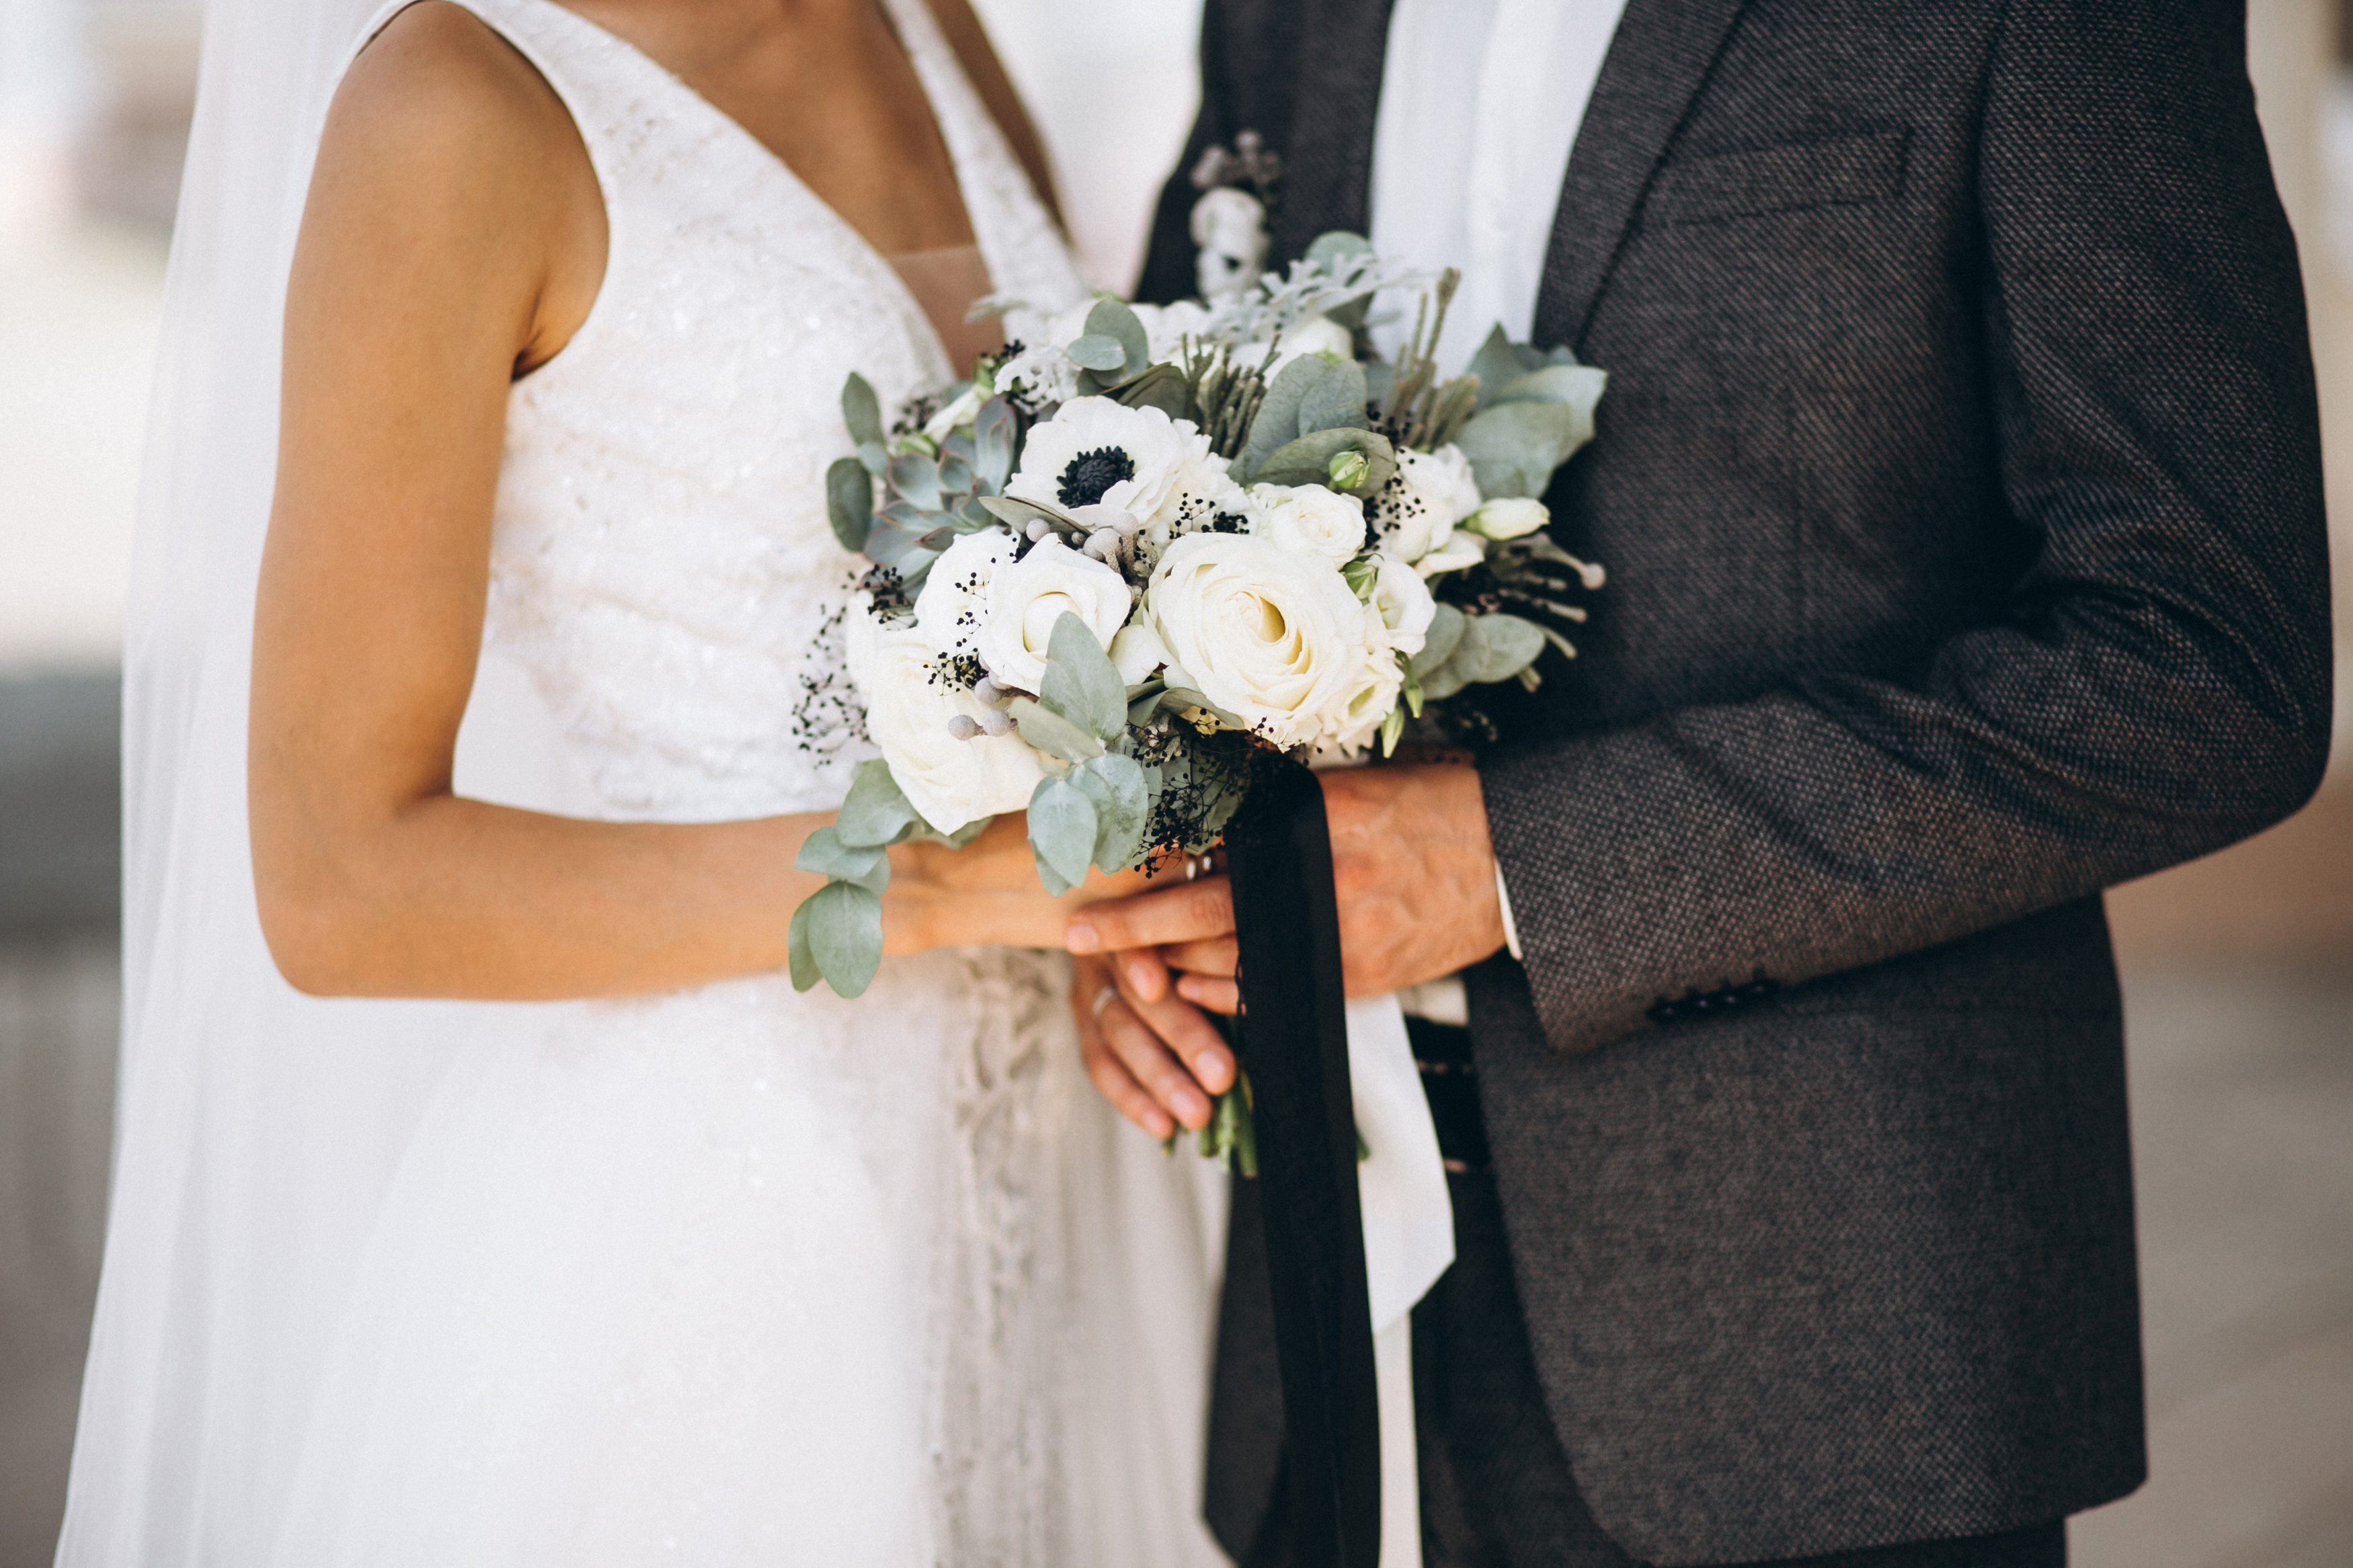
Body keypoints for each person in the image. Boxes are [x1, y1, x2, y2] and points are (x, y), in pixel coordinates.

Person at [1072, 1, 2336, 1564]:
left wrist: (1510, 867)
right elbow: (1147, 476)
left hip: (1820, 1331)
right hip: (1333, 1318)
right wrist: (1155, 881)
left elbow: (2208, 662)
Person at [58, 1, 1232, 1561]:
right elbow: (340, 884)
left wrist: (1101, 887)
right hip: (720, 1224)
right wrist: (957, 884)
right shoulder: (454, 107)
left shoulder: (918, 19)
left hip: (1060, 1188)